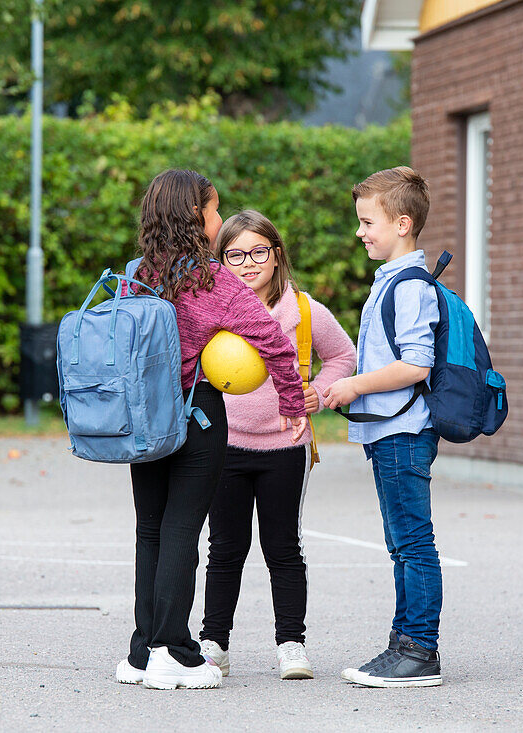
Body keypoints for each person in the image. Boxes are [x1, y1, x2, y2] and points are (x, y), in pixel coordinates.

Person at [115, 170, 308, 691]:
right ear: (193, 217)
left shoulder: (136, 275)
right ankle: (174, 651)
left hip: (142, 417)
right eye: (214, 210)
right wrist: (293, 399)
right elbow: (272, 340)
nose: (220, 220)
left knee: (149, 530)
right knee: (182, 529)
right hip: (196, 415)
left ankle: (140, 651)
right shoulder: (213, 281)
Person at [197, 210, 356, 681]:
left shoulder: (303, 311)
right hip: (225, 447)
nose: (248, 263)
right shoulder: (210, 309)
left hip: (285, 448)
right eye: (234, 254)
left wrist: (319, 393)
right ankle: (214, 644)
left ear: (276, 254)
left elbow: (343, 355)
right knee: (225, 548)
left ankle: (291, 644)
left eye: (258, 251)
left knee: (283, 547)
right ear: (220, 260)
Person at [322, 166, 444, 688]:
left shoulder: (411, 287)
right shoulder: (392, 281)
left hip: (403, 433)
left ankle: (418, 651)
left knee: (412, 542)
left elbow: (417, 365)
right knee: (401, 542)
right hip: (390, 432)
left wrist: (353, 386)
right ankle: (403, 644)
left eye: (367, 222)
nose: (360, 232)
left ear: (402, 223)